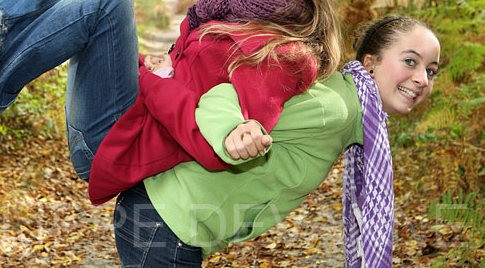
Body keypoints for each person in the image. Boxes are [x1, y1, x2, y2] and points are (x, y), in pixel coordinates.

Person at [0, 0, 341, 206]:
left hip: (117, 143)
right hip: (129, 117)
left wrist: (148, 77)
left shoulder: (283, 55)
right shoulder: (228, 14)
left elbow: (216, 143)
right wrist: (155, 68)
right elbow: (186, 73)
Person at [113, 16, 440, 267]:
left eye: (431, 70)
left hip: (169, 223)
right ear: (371, 62)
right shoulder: (335, 109)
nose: (422, 79)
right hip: (164, 221)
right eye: (410, 61)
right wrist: (231, 131)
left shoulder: (351, 113)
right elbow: (227, 94)